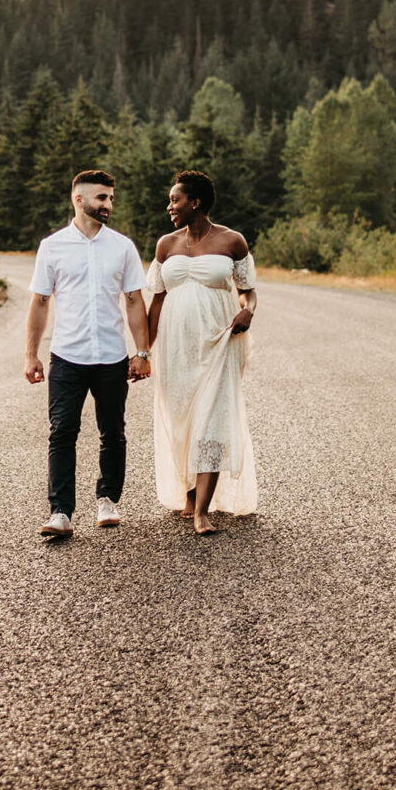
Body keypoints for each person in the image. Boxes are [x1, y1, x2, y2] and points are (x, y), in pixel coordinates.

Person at [24, 169, 151, 539]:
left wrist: (142, 352)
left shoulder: (123, 246)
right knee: (62, 432)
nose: (108, 204)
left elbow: (133, 301)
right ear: (78, 200)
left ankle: (108, 499)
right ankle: (60, 511)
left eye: (111, 198)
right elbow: (40, 301)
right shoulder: (52, 246)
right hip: (67, 357)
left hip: (112, 356)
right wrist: (31, 354)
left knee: (113, 431)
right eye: (101, 198)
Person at [145, 169, 257, 535]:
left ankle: (202, 511)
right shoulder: (166, 245)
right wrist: (143, 352)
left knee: (211, 419)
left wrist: (248, 309)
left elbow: (247, 288)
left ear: (195, 202)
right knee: (181, 419)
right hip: (176, 347)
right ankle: (190, 493)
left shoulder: (232, 241)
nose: (169, 207)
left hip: (218, 340)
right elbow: (157, 301)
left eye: (175, 200)